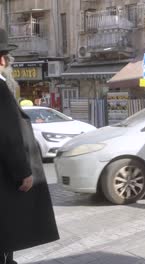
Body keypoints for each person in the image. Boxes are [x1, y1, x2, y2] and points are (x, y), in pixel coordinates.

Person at [0, 28, 59, 264]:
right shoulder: (0, 89)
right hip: (5, 177)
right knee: (7, 232)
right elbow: (7, 135)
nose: (6, 62)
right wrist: (23, 172)